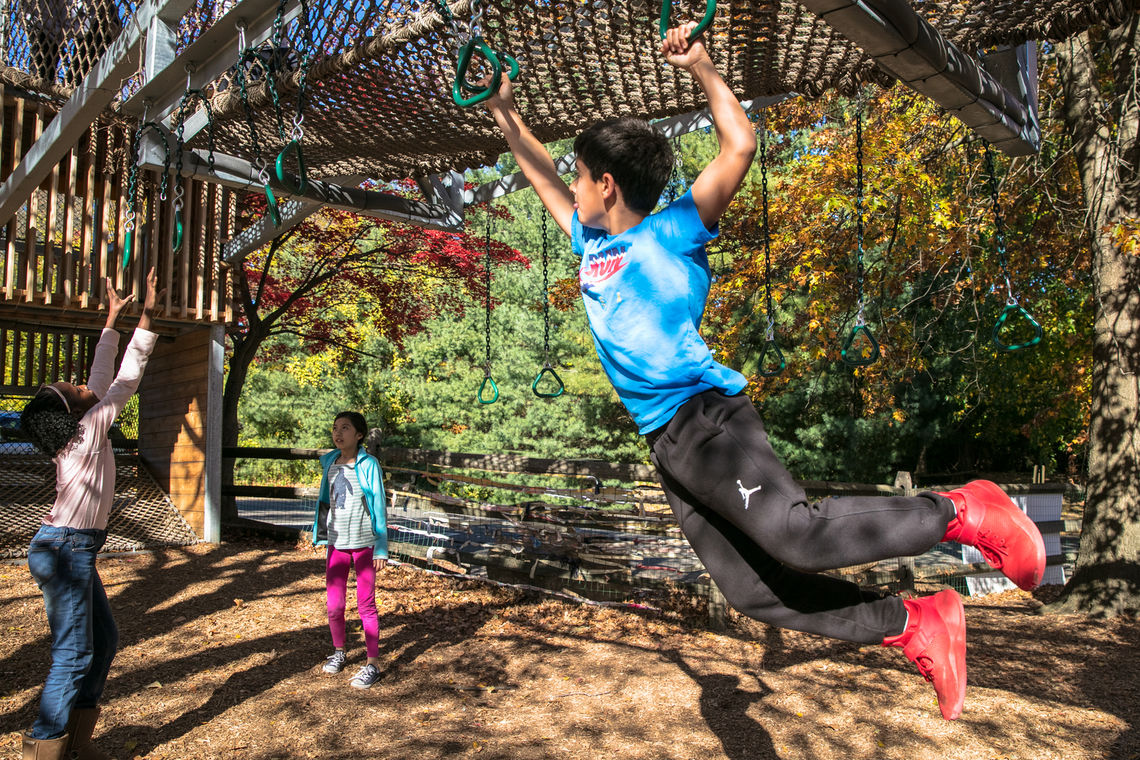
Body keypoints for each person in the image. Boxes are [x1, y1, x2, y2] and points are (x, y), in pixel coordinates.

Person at [482, 23, 1046, 720]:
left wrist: (702, 67)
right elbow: (539, 170)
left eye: (579, 177)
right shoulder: (590, 238)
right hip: (667, 441)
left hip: (705, 418)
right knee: (754, 591)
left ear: (605, 184)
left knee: (797, 536)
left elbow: (739, 146)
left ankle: (964, 510)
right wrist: (506, 114)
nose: (569, 187)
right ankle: (914, 622)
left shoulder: (675, 229)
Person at [20, 269, 163, 759]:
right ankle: (44, 747)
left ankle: (74, 744)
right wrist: (146, 315)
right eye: (74, 386)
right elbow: (124, 380)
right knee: (75, 653)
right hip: (66, 548)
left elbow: (103, 376)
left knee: (102, 644)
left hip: (67, 546)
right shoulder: (88, 431)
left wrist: (111, 320)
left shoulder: (80, 428)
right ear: (73, 408)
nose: (84, 384)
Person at [310, 411, 389, 690]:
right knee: (335, 606)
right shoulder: (330, 463)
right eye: (335, 428)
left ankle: (372, 664)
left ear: (358, 435)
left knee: (366, 605)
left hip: (365, 545)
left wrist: (381, 548)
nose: (338, 433)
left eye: (345, 428)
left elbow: (378, 505)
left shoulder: (368, 465)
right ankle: (339, 651)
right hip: (337, 545)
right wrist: (321, 536)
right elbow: (325, 502)